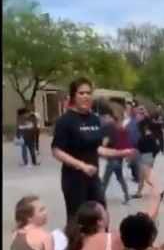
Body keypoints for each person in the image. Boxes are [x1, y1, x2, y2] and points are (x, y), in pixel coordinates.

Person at [51, 77, 137, 223]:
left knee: (101, 216)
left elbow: (97, 149)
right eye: (81, 93)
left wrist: (120, 153)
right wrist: (81, 166)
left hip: (93, 178)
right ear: (73, 96)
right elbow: (57, 151)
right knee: (78, 221)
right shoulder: (65, 121)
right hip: (74, 180)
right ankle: (76, 245)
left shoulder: (94, 119)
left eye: (88, 93)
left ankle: (101, 244)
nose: (85, 96)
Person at [101, 104, 131, 205]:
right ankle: (127, 195)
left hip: (112, 158)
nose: (104, 119)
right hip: (119, 157)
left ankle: (99, 199)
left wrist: (101, 149)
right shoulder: (117, 127)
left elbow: (105, 141)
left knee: (105, 180)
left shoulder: (108, 127)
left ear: (109, 117)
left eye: (105, 117)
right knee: (120, 177)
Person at [132, 118, 160, 199]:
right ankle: (138, 192)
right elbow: (156, 149)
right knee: (141, 176)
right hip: (146, 156)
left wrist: (151, 156)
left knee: (147, 178)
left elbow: (140, 146)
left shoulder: (148, 137)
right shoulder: (150, 136)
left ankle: (160, 192)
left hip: (147, 157)